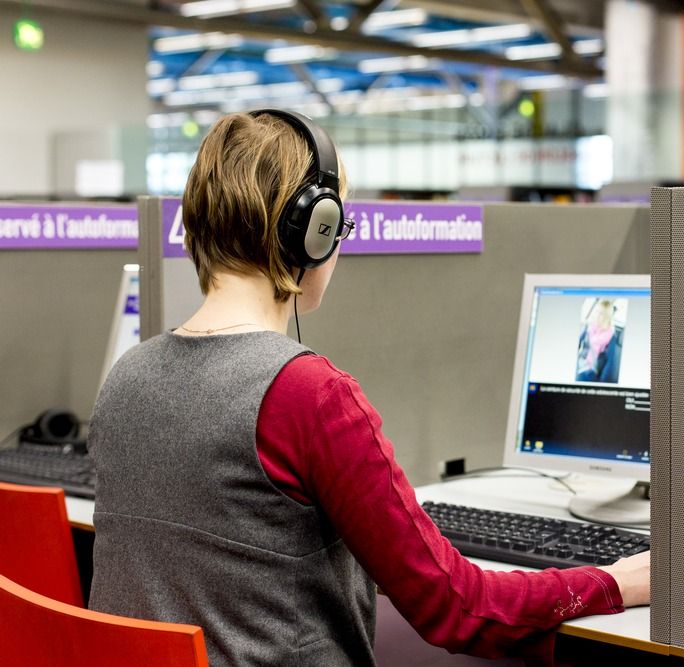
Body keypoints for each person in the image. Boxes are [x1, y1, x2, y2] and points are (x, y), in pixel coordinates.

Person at [87, 110, 650, 667]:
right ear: (314, 232)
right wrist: (612, 582)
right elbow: (459, 607)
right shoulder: (307, 395)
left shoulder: (124, 378)